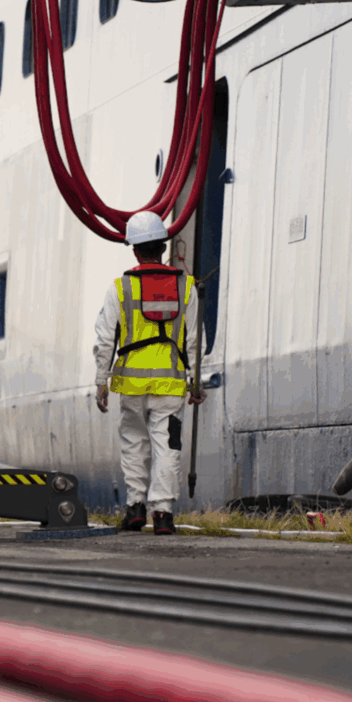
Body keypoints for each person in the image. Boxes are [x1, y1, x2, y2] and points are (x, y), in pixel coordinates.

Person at [93, 211, 203, 534]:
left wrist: (101, 382)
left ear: (135, 250)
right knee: (167, 446)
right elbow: (193, 340)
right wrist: (195, 382)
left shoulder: (120, 289)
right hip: (170, 386)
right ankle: (163, 514)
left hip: (131, 386)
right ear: (163, 246)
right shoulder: (186, 288)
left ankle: (136, 506)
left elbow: (104, 339)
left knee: (134, 444)